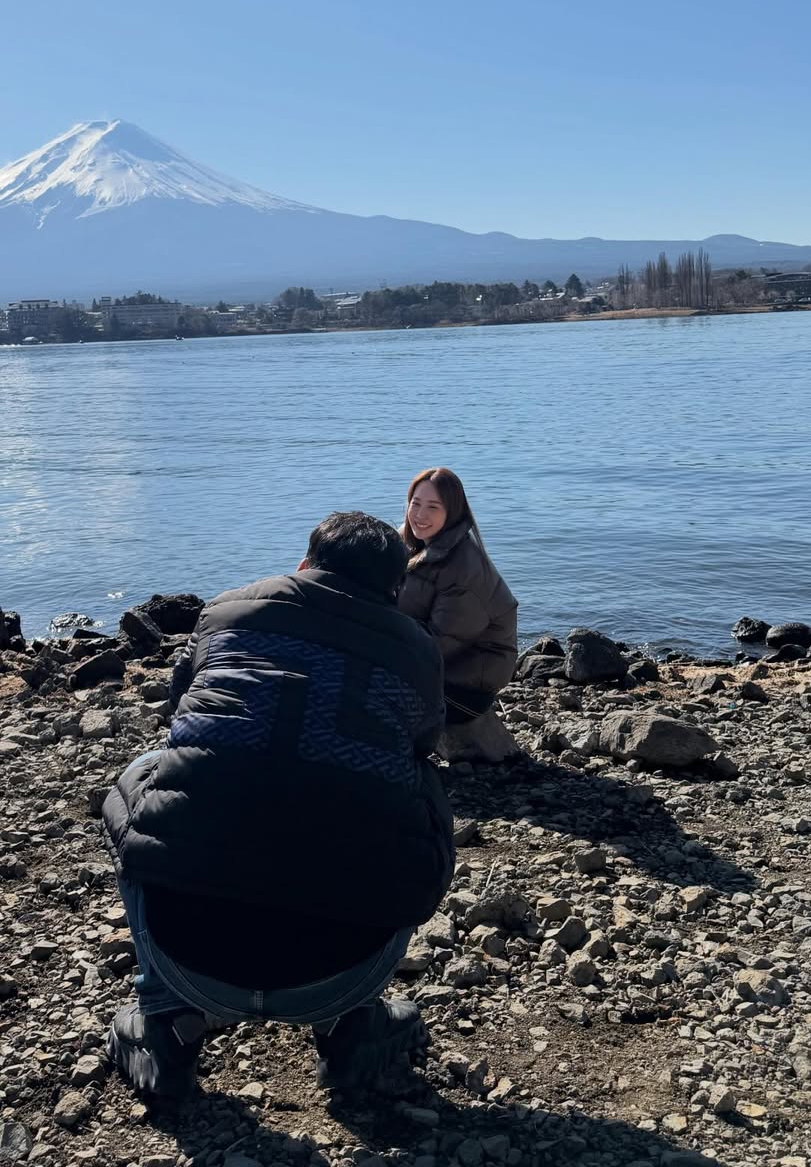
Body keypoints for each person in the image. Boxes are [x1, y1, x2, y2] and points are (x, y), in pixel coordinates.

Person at [101, 511, 454, 1104]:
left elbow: (179, 705)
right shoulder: (417, 650)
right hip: (344, 970)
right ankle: (350, 1026)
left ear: (304, 563)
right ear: (395, 590)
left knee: (146, 775)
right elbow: (423, 745)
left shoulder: (227, 611)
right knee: (418, 791)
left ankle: (166, 1021)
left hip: (186, 952)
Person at [398, 467, 519, 762]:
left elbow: (439, 645)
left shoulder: (463, 568)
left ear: (452, 512)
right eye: (416, 503)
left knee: (367, 686)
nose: (420, 515)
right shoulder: (415, 547)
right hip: (441, 668)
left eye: (433, 507)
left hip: (465, 687)